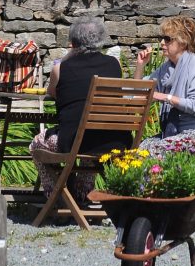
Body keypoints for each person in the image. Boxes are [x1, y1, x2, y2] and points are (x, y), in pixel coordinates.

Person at [29, 17, 127, 202]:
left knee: (36, 144)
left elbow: (52, 92)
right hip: (112, 140)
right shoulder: (115, 65)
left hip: (74, 141)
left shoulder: (62, 68)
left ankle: (57, 198)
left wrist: (66, 57)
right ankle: (82, 196)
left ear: (73, 43)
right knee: (90, 147)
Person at [134, 15, 195, 155]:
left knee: (157, 150)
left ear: (183, 43)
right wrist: (140, 66)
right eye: (162, 38)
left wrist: (164, 97)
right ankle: (157, 178)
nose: (162, 43)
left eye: (168, 39)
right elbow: (138, 91)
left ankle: (165, 177)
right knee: (141, 150)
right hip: (180, 133)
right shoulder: (167, 69)